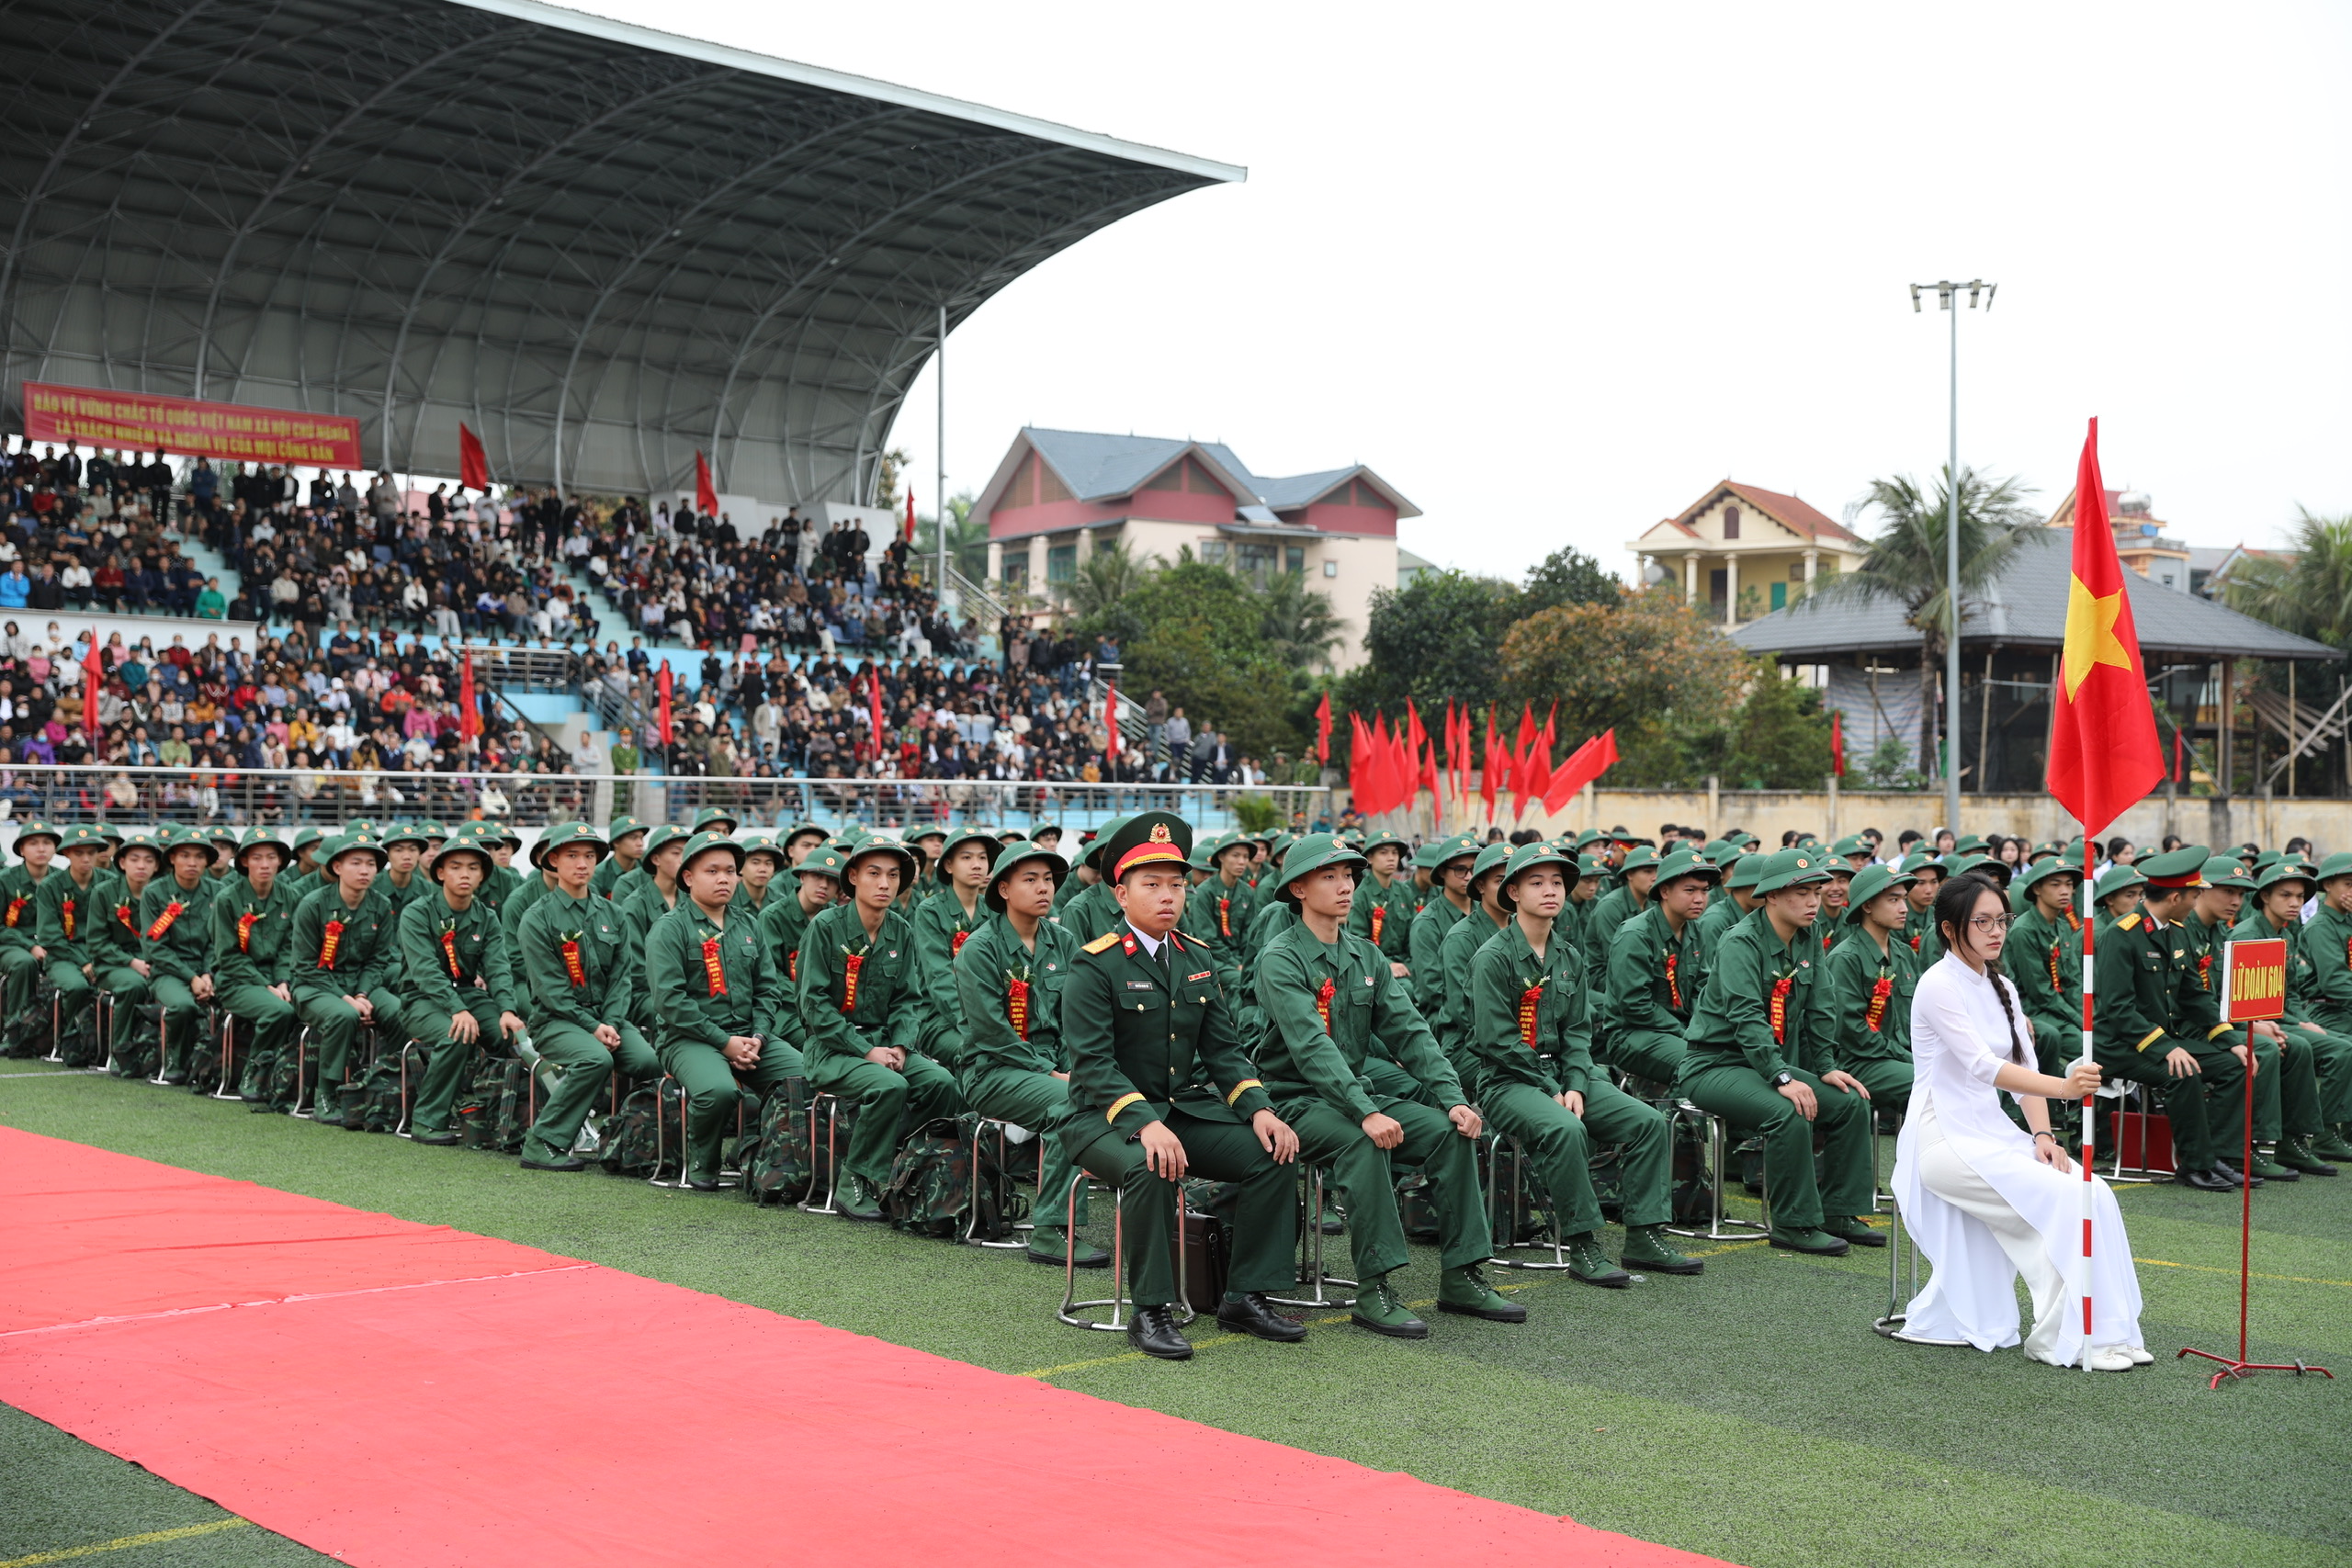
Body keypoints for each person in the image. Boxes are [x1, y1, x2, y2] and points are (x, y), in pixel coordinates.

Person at [1059, 812, 1306, 1360]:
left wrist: (1260, 1110)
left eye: (1176, 884)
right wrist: (1145, 1124)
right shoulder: (1093, 964)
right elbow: (1094, 1064)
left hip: (1179, 1110)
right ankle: (1152, 1309)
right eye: (1152, 885)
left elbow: (1223, 1052)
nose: (1168, 895)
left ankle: (1245, 1294)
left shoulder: (1197, 957)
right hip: (1099, 1118)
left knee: (1272, 1152)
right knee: (1153, 1165)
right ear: (1121, 894)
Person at [1256, 832, 1521, 1337]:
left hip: (1353, 1094)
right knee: (1362, 1141)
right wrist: (1365, 1111)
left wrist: (1452, 1099)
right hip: (1292, 1099)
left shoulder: (1366, 956)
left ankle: (1462, 1274)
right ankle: (1373, 1287)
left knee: (1450, 1131)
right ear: (1297, 890)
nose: (1344, 886)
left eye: (1349, 877)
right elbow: (1313, 1048)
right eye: (1328, 876)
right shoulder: (1281, 956)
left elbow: (1413, 1033)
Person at [1891, 873, 2148, 1370]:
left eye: (2001, 920)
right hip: (1943, 1140)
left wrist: (2045, 1134)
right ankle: (2062, 1338)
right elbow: (1982, 1067)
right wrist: (2067, 1088)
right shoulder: (1936, 985)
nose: (1995, 931)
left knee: (2096, 1192)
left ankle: (2111, 1331)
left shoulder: (2001, 985)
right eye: (1981, 922)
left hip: (1993, 1134)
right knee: (2064, 1201)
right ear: (1949, 929)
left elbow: (2023, 1067)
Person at [1470, 841, 1696, 1283]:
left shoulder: (1568, 957)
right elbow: (1497, 1041)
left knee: (1647, 1122)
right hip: (1508, 1081)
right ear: (1513, 892)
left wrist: (1573, 1083)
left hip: (1568, 1075)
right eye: (1536, 882)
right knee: (1566, 1127)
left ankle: (1643, 1236)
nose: (1550, 890)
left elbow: (1578, 1032)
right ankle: (1584, 1245)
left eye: (1557, 882)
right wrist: (1552, 1088)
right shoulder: (1491, 958)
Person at [1679, 847, 1882, 1255]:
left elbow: (1823, 1005)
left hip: (1763, 1066)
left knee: (1849, 1103)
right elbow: (1746, 1016)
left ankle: (1838, 1211)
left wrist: (1825, 1066)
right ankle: (1793, 1223)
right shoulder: (1741, 941)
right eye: (1800, 892)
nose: (1813, 901)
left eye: (1815, 891)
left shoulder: (1808, 938)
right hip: (1714, 1064)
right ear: (1770, 895)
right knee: (1788, 1110)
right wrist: (1782, 1076)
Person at [952, 840, 1106, 1269]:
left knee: (1101, 1092)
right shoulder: (980, 948)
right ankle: (1050, 1230)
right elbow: (991, 1033)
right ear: (1003, 889)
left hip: (1053, 1070)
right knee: (1070, 1105)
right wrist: (1055, 1074)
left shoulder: (1062, 939)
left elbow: (1080, 1016)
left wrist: (1078, 1068)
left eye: (1049, 880)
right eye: (1030, 879)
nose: (1044, 888)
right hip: (993, 1071)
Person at [796, 835, 966, 1220]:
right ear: (853, 877)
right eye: (874, 873)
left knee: (942, 1084)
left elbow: (910, 999)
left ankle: (899, 1163)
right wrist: (866, 1051)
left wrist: (902, 1046)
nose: (885, 883)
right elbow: (814, 1005)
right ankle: (853, 1179)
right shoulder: (826, 926)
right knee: (890, 1085)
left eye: (892, 875)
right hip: (832, 1049)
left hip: (887, 1047)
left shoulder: (900, 930)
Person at [644, 832, 801, 1190]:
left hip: (749, 1035)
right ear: (688, 877)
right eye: (711, 871)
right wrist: (725, 1042)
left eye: (730, 871)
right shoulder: (670, 929)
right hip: (689, 1038)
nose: (723, 879)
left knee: (805, 1077)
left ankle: (750, 1152)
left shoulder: (748, 924)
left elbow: (767, 989)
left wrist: (758, 1037)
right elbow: (670, 1002)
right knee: (719, 1091)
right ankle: (702, 1162)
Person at [2089, 845, 2248, 1192]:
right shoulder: (2121, 934)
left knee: (2234, 1066)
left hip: (2159, 1041)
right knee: (2183, 1072)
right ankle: (2194, 1166)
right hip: (2119, 1044)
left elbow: (2194, 996)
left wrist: (2230, 1041)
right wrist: (2165, 1048)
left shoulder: (2176, 930)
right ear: (2176, 897)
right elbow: (2118, 1009)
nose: (2197, 902)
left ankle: (2215, 1155)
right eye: (2195, 895)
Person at [514, 822, 663, 1169]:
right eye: (572, 855)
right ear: (553, 861)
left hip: (607, 1019)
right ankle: (542, 1142)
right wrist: (594, 1026)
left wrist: (609, 1021)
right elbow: (550, 990)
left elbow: (621, 978)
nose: (582, 863)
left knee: (649, 1061)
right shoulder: (537, 918)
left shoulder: (613, 913)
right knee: (596, 1059)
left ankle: (632, 1142)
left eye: (589, 856)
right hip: (557, 1021)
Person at [394, 835, 524, 1146]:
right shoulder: (418, 912)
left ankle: (494, 1114)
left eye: (473, 868)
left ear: (482, 875)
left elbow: (498, 968)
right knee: (457, 1033)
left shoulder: (487, 917)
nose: (464, 874)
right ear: (440, 873)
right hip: (421, 998)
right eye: (455, 867)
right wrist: (457, 1009)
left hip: (468, 994)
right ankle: (427, 1119)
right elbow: (424, 972)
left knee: (510, 1035)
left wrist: (507, 1009)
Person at [2234, 860, 2352, 1162]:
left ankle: (2305, 1137)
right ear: (2265, 897)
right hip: (2255, 1022)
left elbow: (2291, 993)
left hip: (2283, 1018)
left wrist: (2302, 1020)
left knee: (2339, 1046)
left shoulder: (2284, 934)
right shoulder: (2248, 934)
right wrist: (2291, 1021)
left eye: (2300, 897)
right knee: (2331, 1050)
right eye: (2286, 895)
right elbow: (2241, 1000)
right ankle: (2309, 1135)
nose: (2295, 903)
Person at [288, 831, 407, 1124]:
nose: (365, 870)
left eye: (370, 863)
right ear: (337, 867)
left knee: (401, 1013)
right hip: (314, 986)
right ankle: (324, 1095)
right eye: (356, 863)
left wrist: (363, 995)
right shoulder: (313, 904)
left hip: (361, 986)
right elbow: (304, 965)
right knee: (343, 1016)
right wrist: (346, 999)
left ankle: (383, 1086)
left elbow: (377, 959)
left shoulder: (380, 905)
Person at [1603, 846, 1718, 1087]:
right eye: (1690, 890)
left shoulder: (1695, 929)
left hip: (1681, 1029)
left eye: (1704, 891)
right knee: (1700, 1065)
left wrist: (1704, 1030)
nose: (1699, 898)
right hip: (1633, 1033)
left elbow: (1702, 987)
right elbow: (1634, 1004)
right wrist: (1685, 1032)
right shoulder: (1636, 934)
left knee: (1732, 1058)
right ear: (1664, 891)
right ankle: (1685, 1123)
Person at [1812, 863, 1918, 1115]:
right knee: (1933, 1081)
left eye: (1904, 899)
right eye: (1893, 900)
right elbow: (1852, 1032)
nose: (1904, 908)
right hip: (1860, 1062)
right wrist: (1909, 1057)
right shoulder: (1846, 958)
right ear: (1868, 906)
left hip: (1898, 1057)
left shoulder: (1904, 953)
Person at [213, 827, 306, 1111]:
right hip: (236, 979)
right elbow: (227, 955)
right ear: (244, 862)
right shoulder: (228, 899)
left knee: (308, 1004)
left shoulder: (290, 896)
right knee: (278, 1010)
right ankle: (255, 1074)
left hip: (279, 981)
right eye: (256, 858)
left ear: (280, 861)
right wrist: (263, 984)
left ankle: (293, 1079)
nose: (264, 865)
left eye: (271, 857)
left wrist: (281, 981)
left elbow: (288, 949)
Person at [906, 827, 997, 1071]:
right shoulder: (930, 911)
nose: (976, 865)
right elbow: (940, 979)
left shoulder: (995, 913)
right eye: (966, 858)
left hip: (989, 1018)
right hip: (938, 1018)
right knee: (976, 1054)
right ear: (948, 865)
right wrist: (976, 1025)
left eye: (982, 857)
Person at [141, 826, 220, 1082]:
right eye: (185, 855)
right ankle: (173, 1056)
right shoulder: (155, 893)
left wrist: (207, 973)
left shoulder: (218, 892)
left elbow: (216, 941)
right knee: (183, 1005)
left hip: (209, 969)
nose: (192, 862)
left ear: (207, 861)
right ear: (172, 858)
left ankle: (218, 1064)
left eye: (199, 856)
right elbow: (155, 946)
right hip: (168, 971)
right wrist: (191, 977)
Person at [32, 825, 114, 1059]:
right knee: (77, 986)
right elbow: (49, 937)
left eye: (91, 852)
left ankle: (110, 1045)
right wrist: (84, 962)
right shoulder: (50, 885)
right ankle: (73, 1041)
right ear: (67, 853)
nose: (86, 858)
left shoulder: (110, 882)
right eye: (79, 853)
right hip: (63, 956)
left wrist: (99, 959)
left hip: (103, 953)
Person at [96, 830, 163, 1077]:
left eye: (148, 860)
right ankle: (120, 1050)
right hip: (114, 964)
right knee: (133, 985)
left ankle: (161, 1055)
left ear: (157, 866)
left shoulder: (164, 894)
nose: (141, 866)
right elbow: (97, 942)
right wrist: (131, 961)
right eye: (134, 859)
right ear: (122, 863)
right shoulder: (104, 892)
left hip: (157, 960)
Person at [1404, 834, 1481, 1014]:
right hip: (1446, 1017)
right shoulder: (1427, 923)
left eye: (1474, 869)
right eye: (1460, 869)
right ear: (1442, 872)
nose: (1469, 876)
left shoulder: (1486, 913)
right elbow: (1432, 988)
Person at [0, 820, 62, 1044]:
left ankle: (64, 1034)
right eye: (33, 843)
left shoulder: (61, 879)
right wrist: (30, 945)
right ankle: (14, 1031)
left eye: (47, 843)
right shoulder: (5, 880)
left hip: (53, 945)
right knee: (24, 963)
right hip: (11, 944)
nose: (41, 848)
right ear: (22, 850)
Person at [1344, 829, 1416, 977]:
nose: (1391, 858)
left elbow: (1413, 938)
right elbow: (1359, 942)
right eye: (1383, 853)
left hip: (1407, 964)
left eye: (1394, 853)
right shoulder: (1360, 894)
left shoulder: (1405, 891)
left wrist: (1410, 965)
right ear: (1370, 858)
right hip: (1375, 966)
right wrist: (1387, 964)